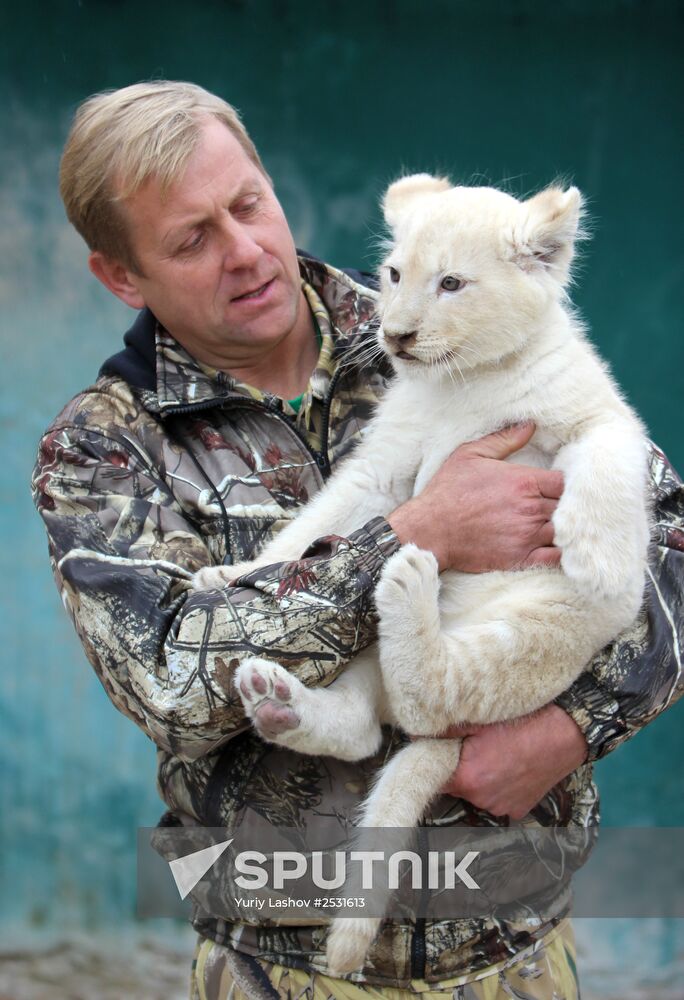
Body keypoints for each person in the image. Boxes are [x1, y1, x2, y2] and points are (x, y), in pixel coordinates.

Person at [32, 81, 683, 999]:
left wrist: (574, 726)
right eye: (191, 239)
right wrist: (414, 536)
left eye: (248, 203)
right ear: (122, 275)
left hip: (512, 940)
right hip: (275, 957)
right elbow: (172, 687)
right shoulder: (101, 449)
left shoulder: (452, 307)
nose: (247, 251)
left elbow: (669, 550)